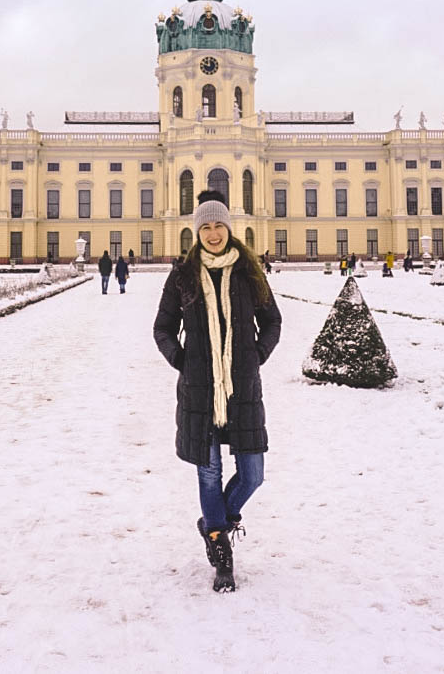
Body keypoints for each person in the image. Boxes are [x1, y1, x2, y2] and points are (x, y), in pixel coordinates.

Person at [153, 190, 281, 593]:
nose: (212, 233)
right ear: (197, 231)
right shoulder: (183, 276)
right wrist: (182, 360)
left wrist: (254, 356)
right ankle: (221, 553)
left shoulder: (249, 272)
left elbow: (272, 321)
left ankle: (214, 523)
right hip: (199, 391)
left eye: (218, 225)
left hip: (241, 387)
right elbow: (162, 328)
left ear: (229, 228)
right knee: (209, 474)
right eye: (205, 226)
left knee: (253, 474)